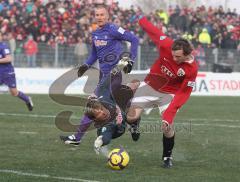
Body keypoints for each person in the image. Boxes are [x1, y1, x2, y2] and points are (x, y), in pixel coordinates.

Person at [60, 4, 139, 145]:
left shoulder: (114, 29)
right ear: (94, 17)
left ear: (108, 16)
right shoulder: (95, 33)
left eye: (102, 14)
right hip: (103, 75)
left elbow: (134, 39)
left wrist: (130, 60)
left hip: (116, 73)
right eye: (97, 15)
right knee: (107, 105)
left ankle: (77, 138)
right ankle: (133, 122)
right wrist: (86, 65)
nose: (99, 17)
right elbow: (94, 54)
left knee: (94, 104)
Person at [126, 16, 198, 168]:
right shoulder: (167, 45)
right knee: (131, 117)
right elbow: (153, 30)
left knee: (167, 126)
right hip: (151, 85)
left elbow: (184, 93)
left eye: (177, 57)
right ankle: (135, 124)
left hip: (170, 94)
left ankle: (166, 158)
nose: (173, 58)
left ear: (187, 54)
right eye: (172, 55)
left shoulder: (192, 69)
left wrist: (169, 115)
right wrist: (140, 19)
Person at [84, 73, 140, 153]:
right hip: (121, 124)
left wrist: (115, 70)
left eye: (100, 108)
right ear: (95, 119)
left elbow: (105, 83)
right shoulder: (106, 125)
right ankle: (134, 123)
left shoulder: (103, 98)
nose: (102, 112)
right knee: (132, 116)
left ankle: (134, 122)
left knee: (135, 83)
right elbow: (106, 136)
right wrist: (101, 141)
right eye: (98, 114)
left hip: (119, 105)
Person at [0, 32, 34, 111]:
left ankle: (27, 99)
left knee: (14, 92)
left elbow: (9, 58)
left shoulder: (3, 46)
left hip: (7, 72)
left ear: (1, 37)